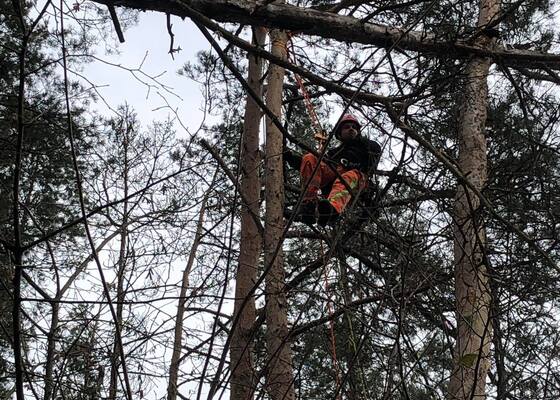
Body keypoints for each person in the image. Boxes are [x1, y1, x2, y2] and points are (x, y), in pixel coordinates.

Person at [297, 114, 381, 226]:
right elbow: (315, 167)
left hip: (359, 181)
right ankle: (309, 204)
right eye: (346, 127)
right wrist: (291, 158)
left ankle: (332, 210)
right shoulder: (334, 153)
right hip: (336, 182)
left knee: (348, 176)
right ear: (339, 133)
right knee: (310, 158)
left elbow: (375, 154)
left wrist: (357, 146)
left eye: (354, 127)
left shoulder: (366, 146)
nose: (351, 129)